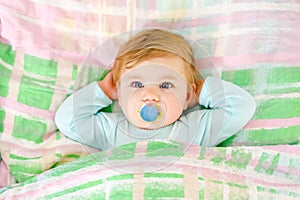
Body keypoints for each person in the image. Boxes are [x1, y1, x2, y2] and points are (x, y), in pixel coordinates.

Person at [55, 29, 256, 150]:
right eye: (136, 85)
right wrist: (103, 91)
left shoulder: (197, 130)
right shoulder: (110, 130)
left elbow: (241, 106)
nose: (151, 95)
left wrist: (202, 91)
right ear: (120, 93)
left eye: (166, 85)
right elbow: (68, 120)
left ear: (186, 96)